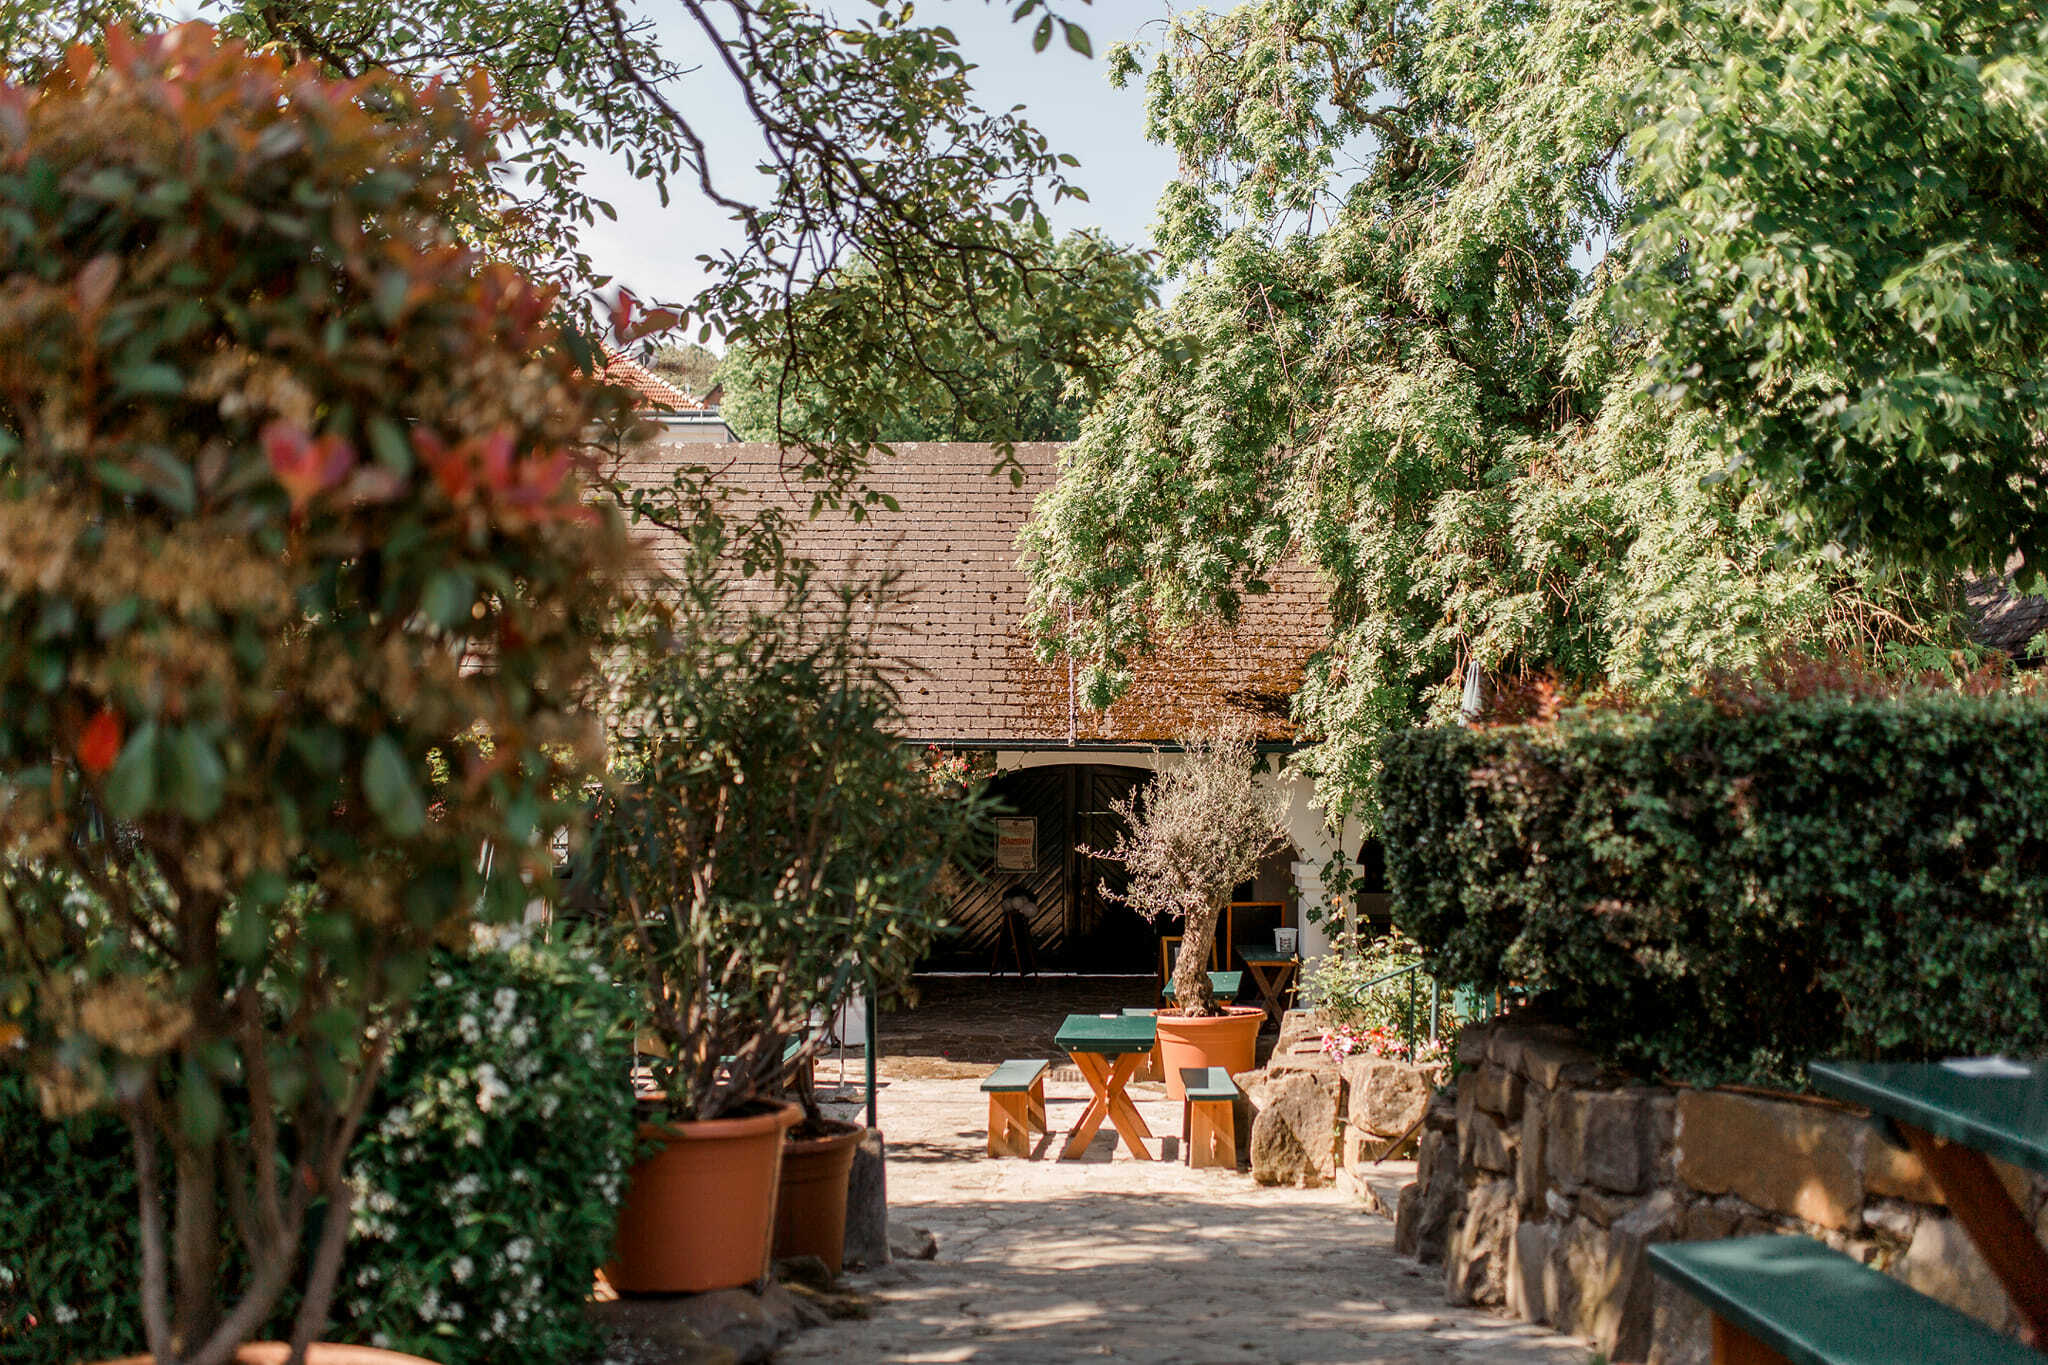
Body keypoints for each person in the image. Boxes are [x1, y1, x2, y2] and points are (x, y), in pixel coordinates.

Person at [991, 883, 1040, 977]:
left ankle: (1023, 967)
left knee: (1019, 942)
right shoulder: (1011, 905)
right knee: (1010, 941)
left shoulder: (1022, 909)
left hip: (1019, 923)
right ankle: (1002, 965)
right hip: (1013, 923)